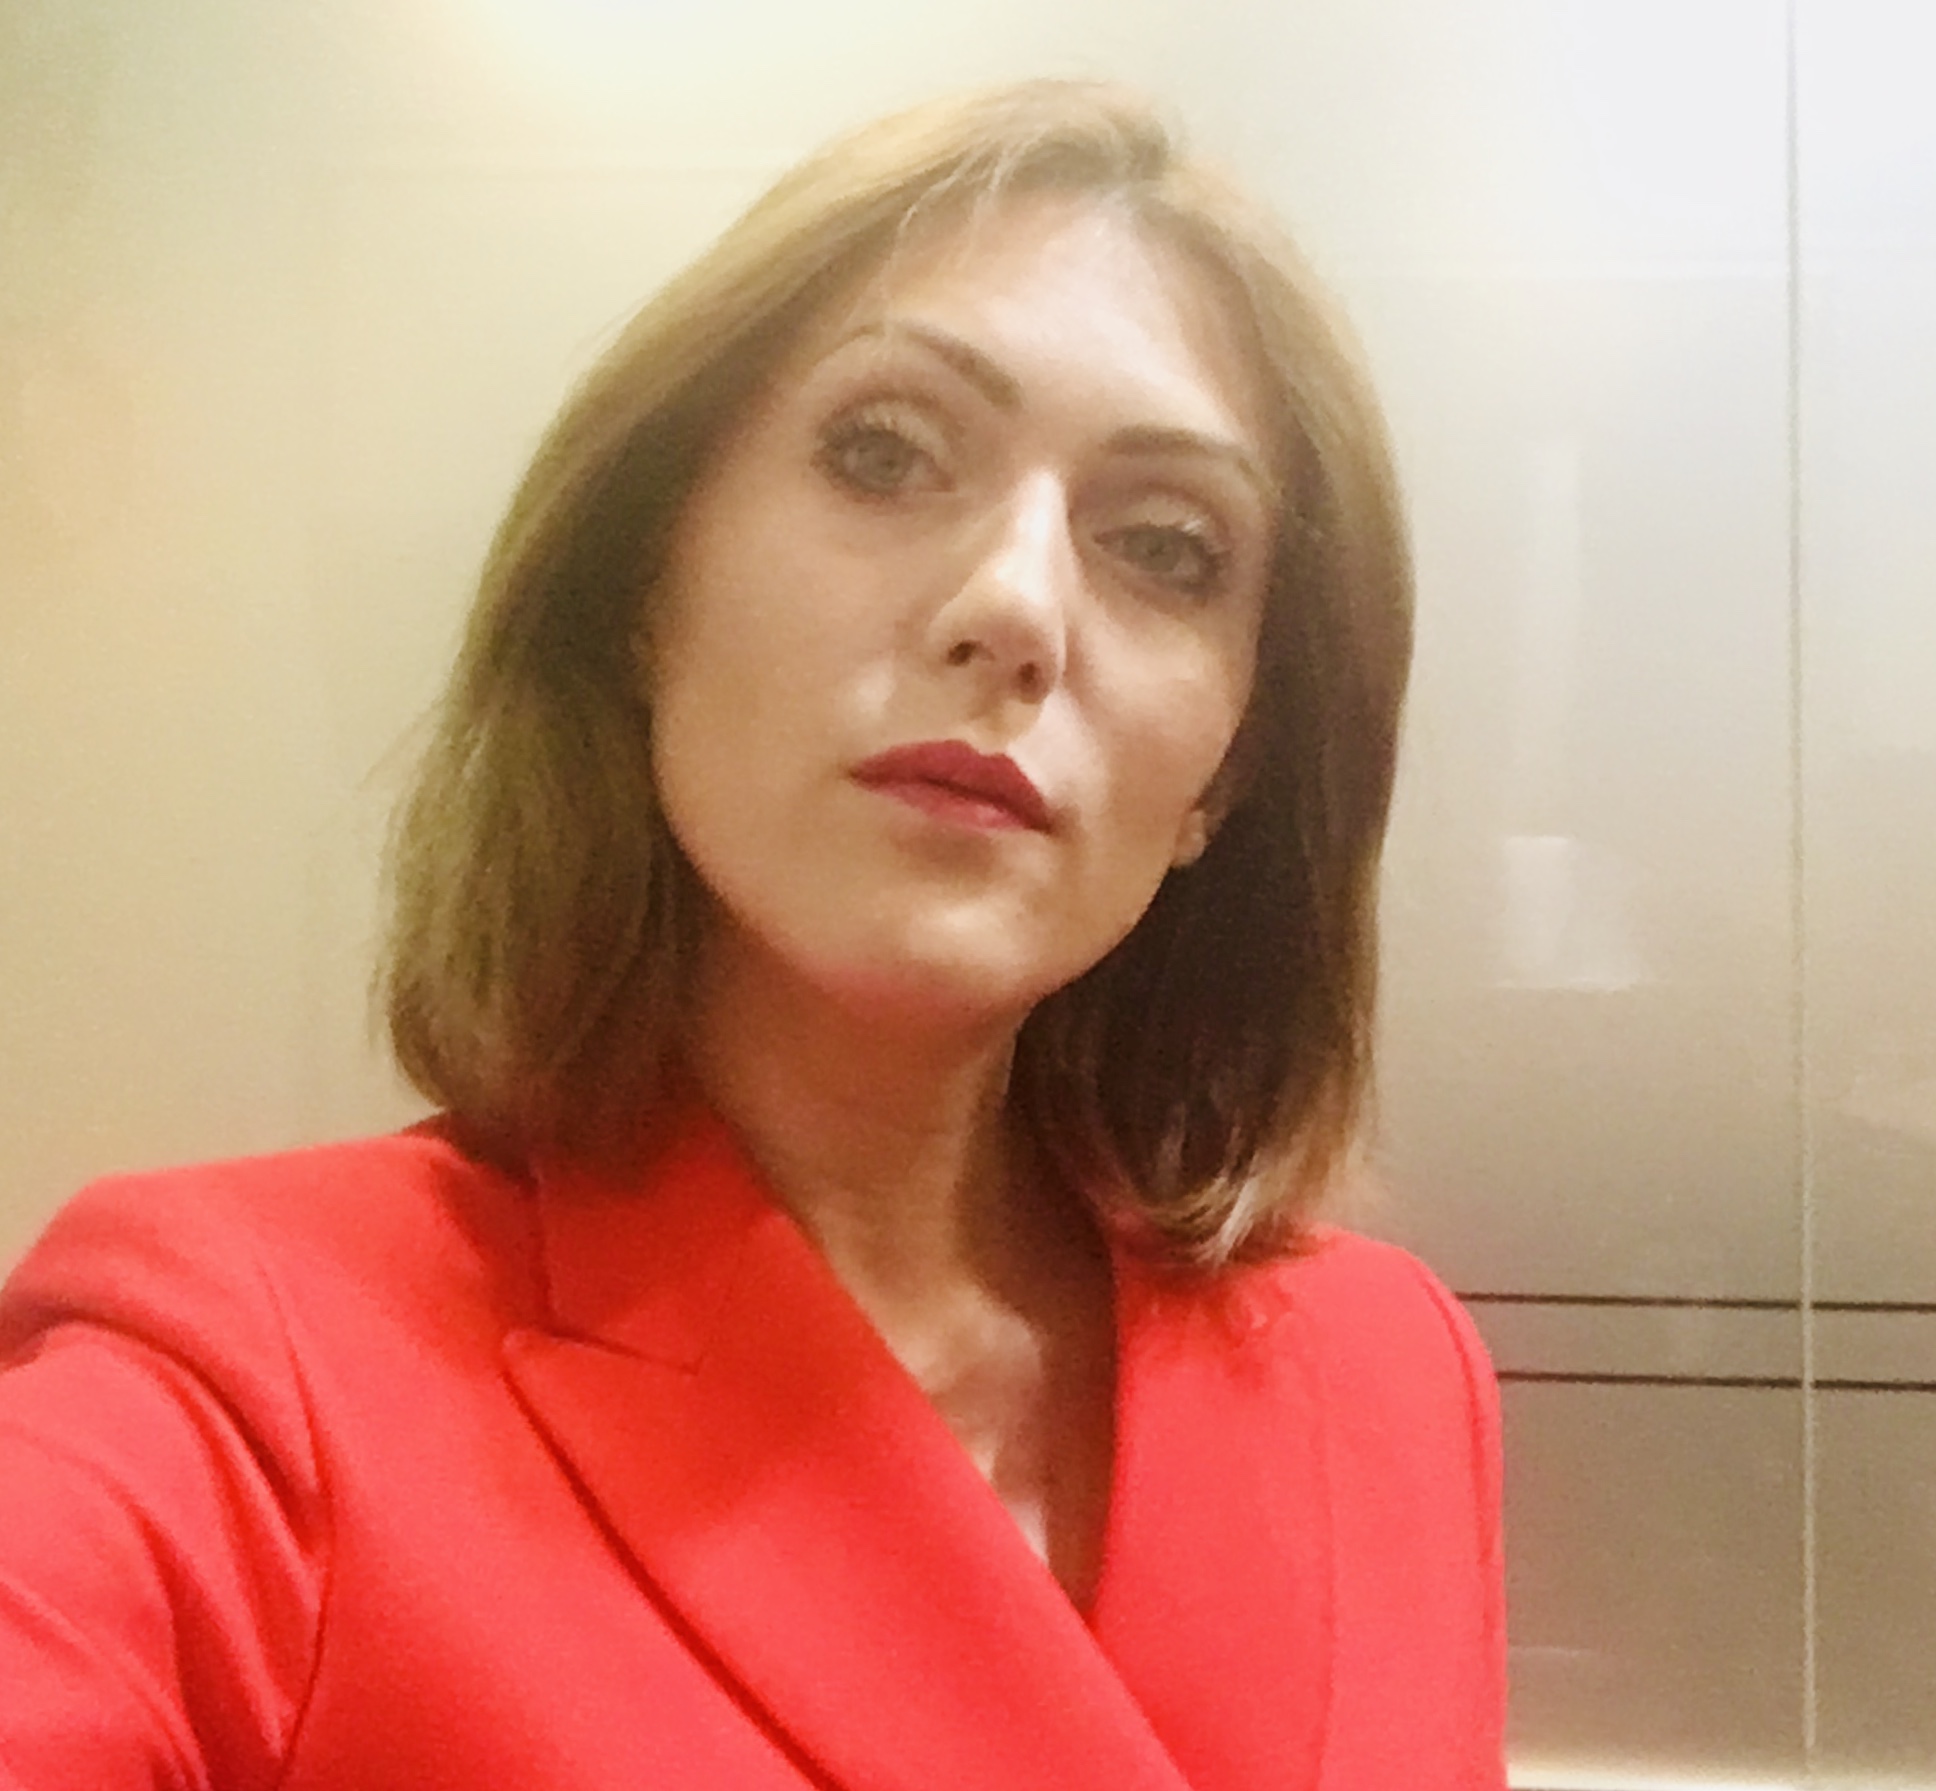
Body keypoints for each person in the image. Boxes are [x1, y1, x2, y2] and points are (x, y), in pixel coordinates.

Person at [0, 80, 1505, 1790]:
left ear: (1227, 770)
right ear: (649, 587)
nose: (1015, 607)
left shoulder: (1389, 1379)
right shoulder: (240, 1374)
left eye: (1165, 548)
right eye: (885, 453)